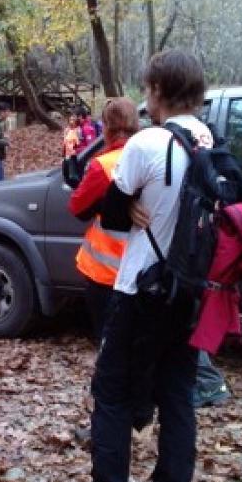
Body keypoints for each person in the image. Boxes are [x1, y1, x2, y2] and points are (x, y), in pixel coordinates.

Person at [89, 49, 210, 482]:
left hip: (140, 287)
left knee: (113, 392)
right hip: (189, 291)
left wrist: (136, 206)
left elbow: (114, 215)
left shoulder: (147, 143)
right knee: (177, 391)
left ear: (158, 90)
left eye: (148, 89)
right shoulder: (210, 141)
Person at [68, 97, 139, 341]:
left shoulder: (103, 166)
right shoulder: (156, 158)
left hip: (107, 274)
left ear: (106, 128)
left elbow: (77, 208)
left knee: (109, 344)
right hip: (146, 270)